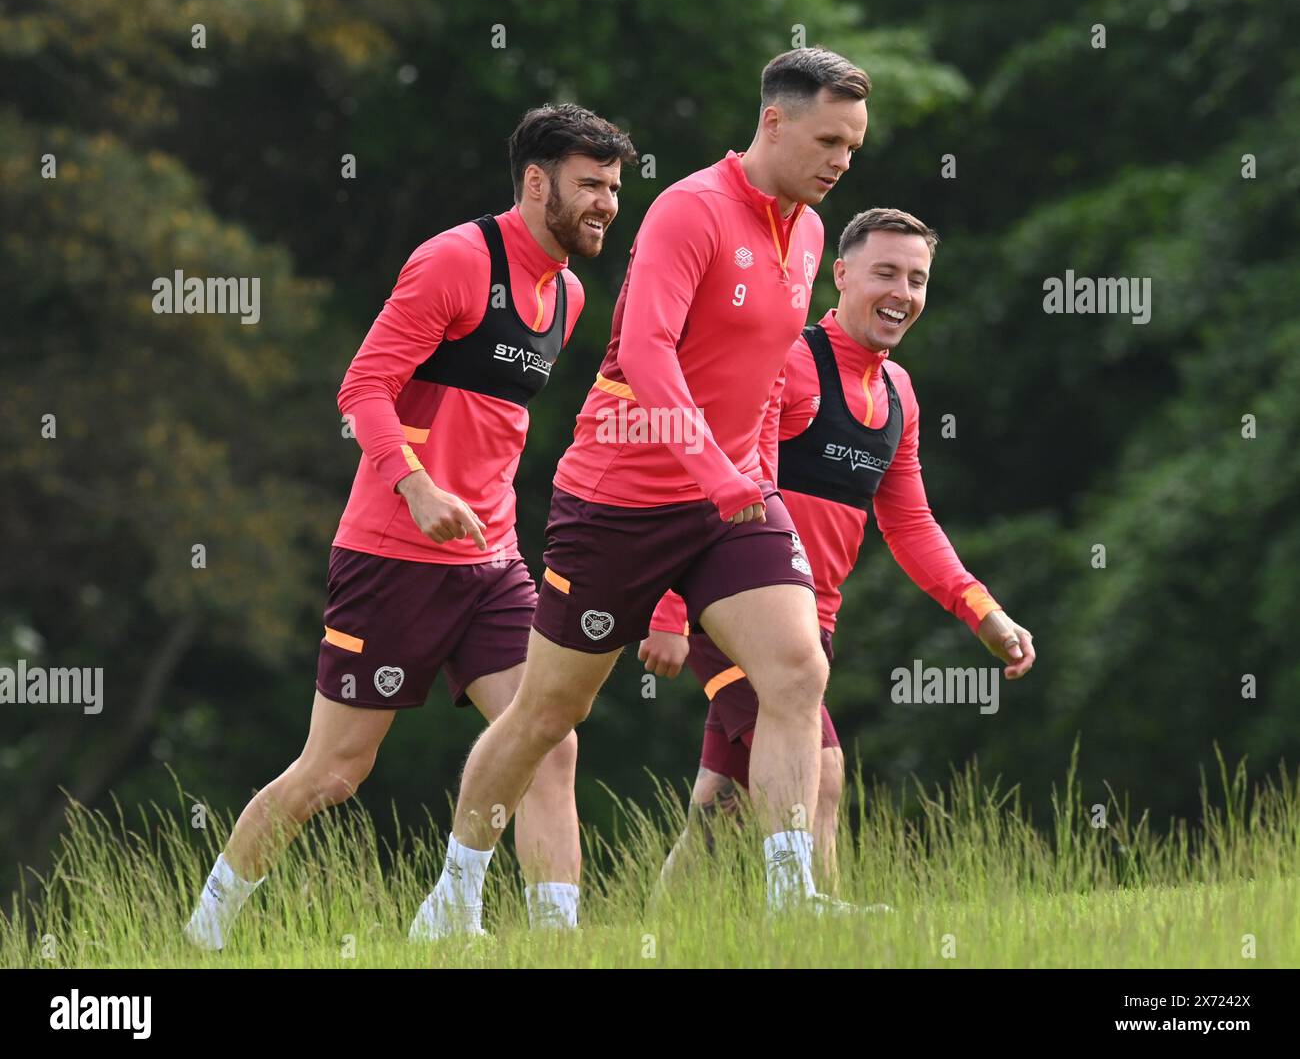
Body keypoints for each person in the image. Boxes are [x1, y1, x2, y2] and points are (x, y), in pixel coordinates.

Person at [425, 48, 874, 936]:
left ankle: (792, 899)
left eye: (854, 148)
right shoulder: (689, 209)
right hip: (619, 499)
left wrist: (746, 482)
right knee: (549, 713)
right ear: (774, 122)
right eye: (829, 140)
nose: (841, 162)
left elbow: (766, 381)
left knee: (795, 672)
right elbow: (649, 352)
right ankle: (455, 891)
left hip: (732, 499)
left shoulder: (815, 232)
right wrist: (712, 473)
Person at [184, 103, 637, 949]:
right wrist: (418, 488)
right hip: (391, 553)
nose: (607, 203)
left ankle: (555, 943)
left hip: (492, 560)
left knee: (550, 739)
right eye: (590, 186)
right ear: (537, 182)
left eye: (614, 187)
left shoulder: (569, 295)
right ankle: (204, 933)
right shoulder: (456, 261)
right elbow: (362, 389)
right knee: (334, 772)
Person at [642, 208, 1037, 898]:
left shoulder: (899, 393)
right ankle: (809, 921)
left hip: (811, 621)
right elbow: (702, 475)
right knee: (821, 769)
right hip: (733, 599)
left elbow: (910, 523)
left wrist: (983, 612)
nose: (902, 293)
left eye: (917, 279)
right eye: (885, 273)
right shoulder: (788, 361)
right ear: (842, 274)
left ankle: (649, 939)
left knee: (723, 805)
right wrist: (671, 608)